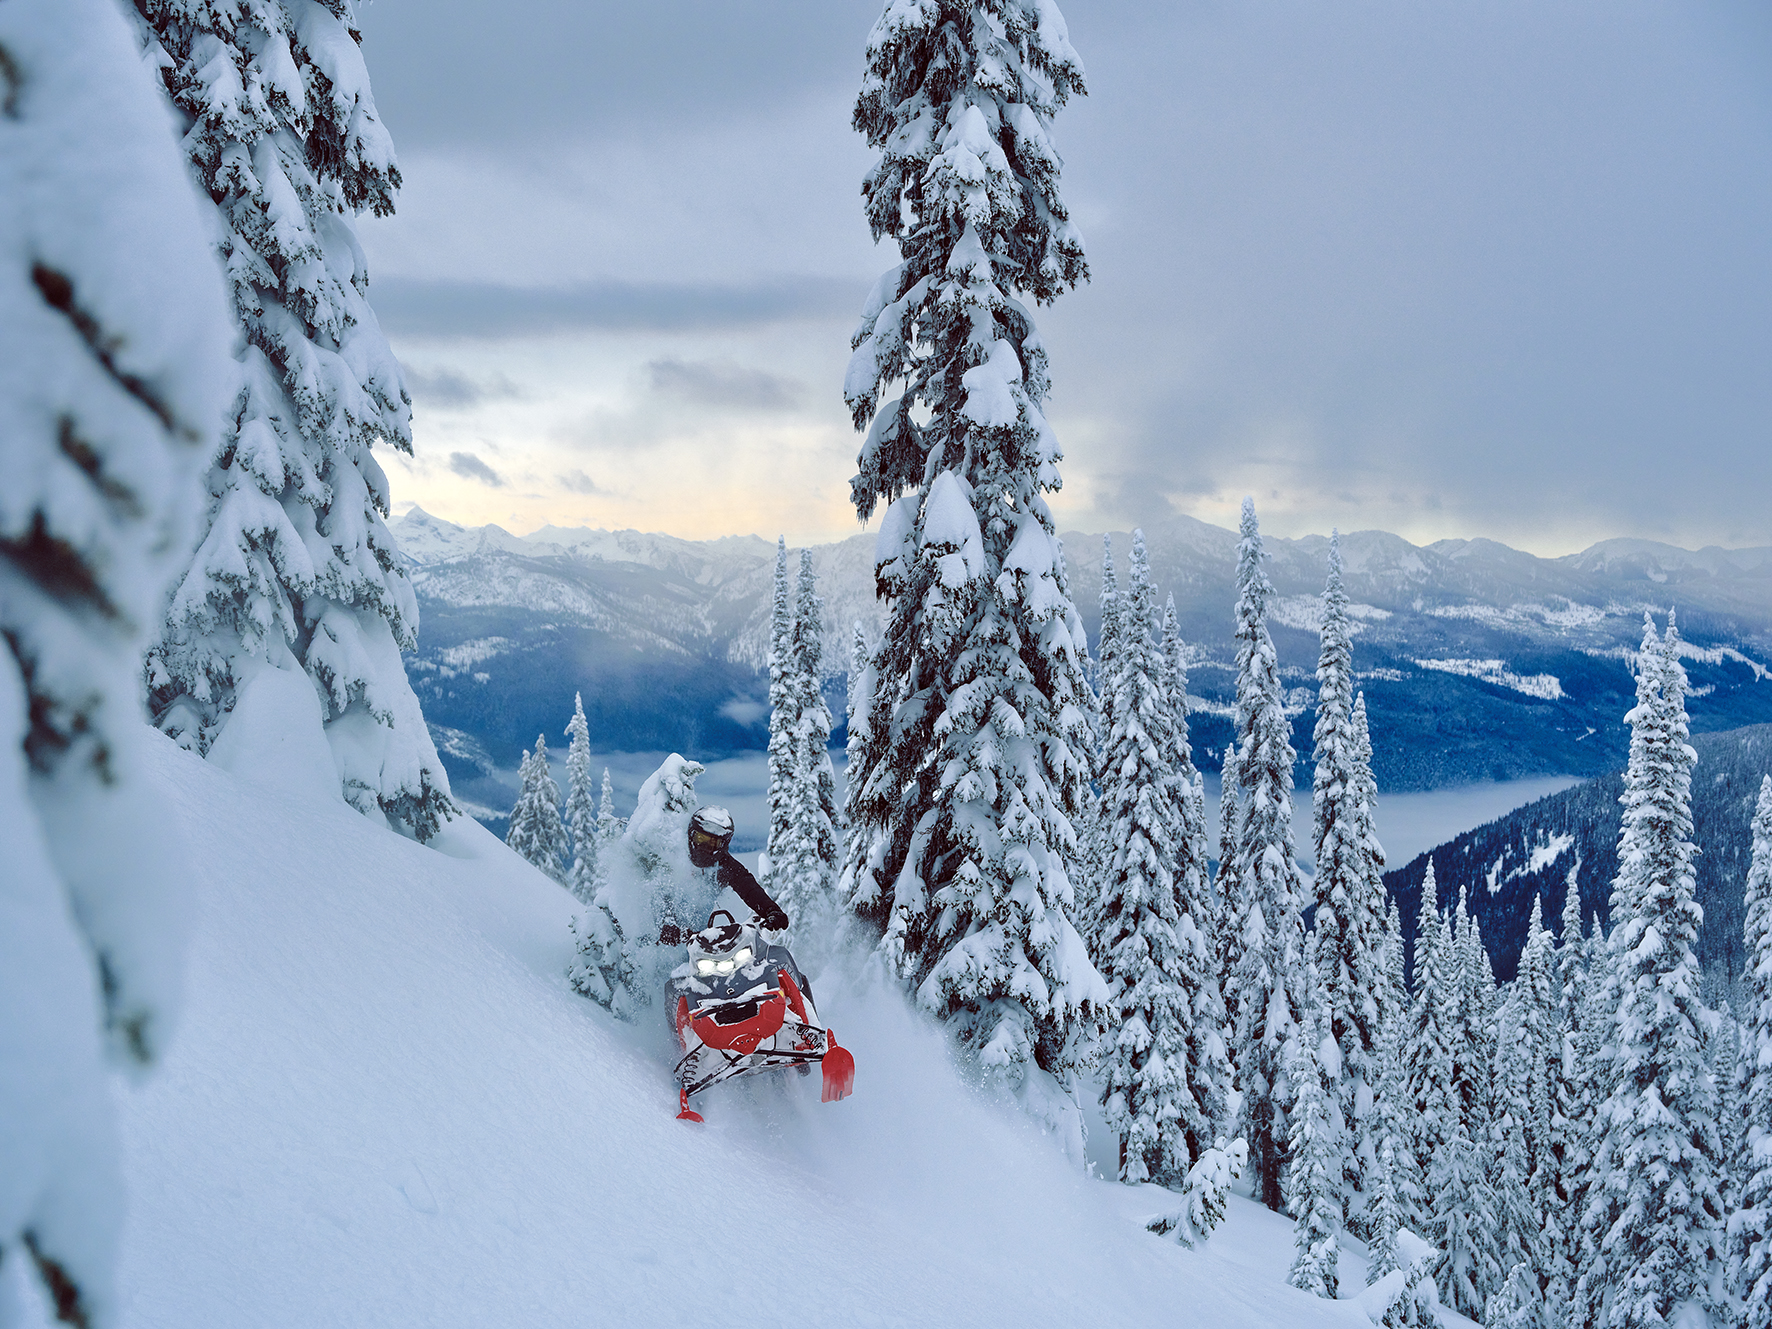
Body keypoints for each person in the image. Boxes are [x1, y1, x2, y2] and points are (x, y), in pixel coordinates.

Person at [658, 806, 788, 946]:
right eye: (701, 838)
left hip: (700, 939)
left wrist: (771, 910)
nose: (704, 847)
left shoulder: (724, 865)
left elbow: (748, 888)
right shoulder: (673, 855)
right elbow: (658, 892)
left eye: (712, 843)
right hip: (657, 939)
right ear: (691, 834)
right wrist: (667, 922)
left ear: (723, 844)